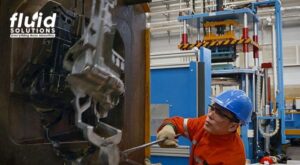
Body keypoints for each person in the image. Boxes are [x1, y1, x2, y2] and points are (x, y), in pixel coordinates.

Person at [156, 89, 253, 165]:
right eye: (212, 108)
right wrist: (168, 127)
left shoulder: (233, 158)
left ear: (233, 126)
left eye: (219, 113)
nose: (210, 115)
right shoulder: (204, 124)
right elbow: (177, 122)